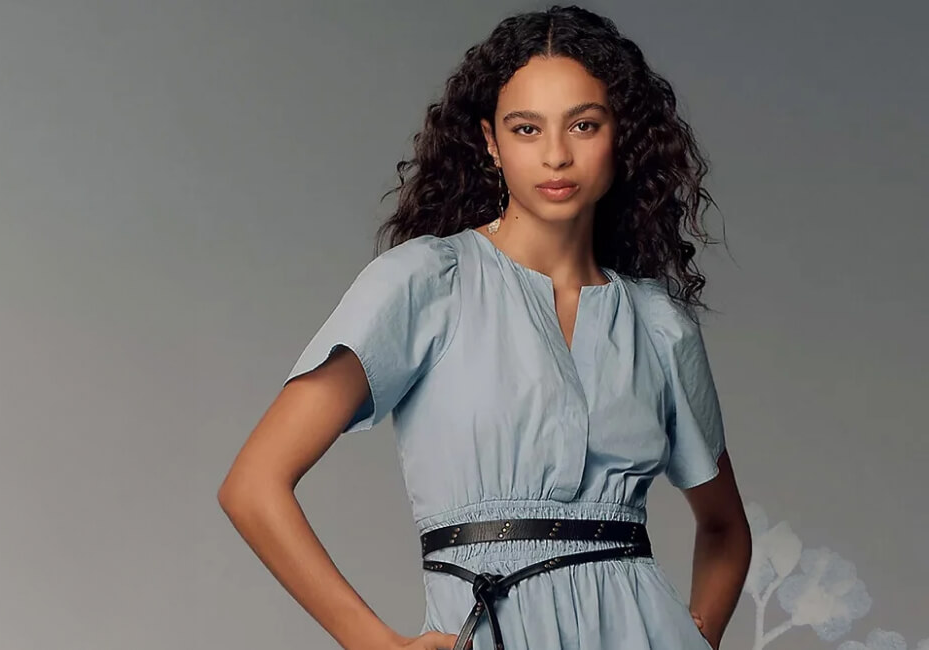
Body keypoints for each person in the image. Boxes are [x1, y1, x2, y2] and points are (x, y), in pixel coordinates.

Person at [217, 5, 753, 650]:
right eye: (526, 128)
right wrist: (375, 643)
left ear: (621, 136)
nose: (556, 155)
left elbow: (725, 529)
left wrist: (692, 637)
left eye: (584, 124)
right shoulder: (428, 282)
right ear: (491, 143)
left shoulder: (658, 324)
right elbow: (253, 485)